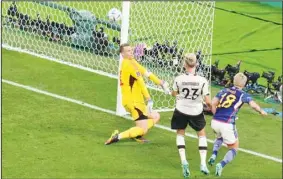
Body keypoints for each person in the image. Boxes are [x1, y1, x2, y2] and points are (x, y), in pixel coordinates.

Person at [105, 43, 170, 145]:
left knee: (156, 116)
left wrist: (160, 82)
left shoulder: (132, 62)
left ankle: (137, 134)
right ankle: (118, 136)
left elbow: (146, 72)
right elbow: (141, 81)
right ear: (122, 54)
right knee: (143, 129)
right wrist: (148, 98)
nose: (131, 52)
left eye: (131, 50)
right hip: (133, 102)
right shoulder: (128, 65)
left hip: (136, 101)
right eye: (128, 51)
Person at [208, 72, 267, 176]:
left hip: (215, 122)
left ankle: (213, 154)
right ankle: (221, 165)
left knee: (220, 136)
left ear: (234, 81)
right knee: (234, 147)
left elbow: (212, 103)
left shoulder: (223, 90)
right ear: (243, 84)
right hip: (226, 124)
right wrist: (261, 111)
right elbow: (253, 105)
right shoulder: (243, 94)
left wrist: (216, 115)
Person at [170, 53, 211, 178]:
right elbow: (208, 101)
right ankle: (203, 163)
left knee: (180, 133)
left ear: (184, 64)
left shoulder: (179, 79)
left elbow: (174, 93)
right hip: (196, 111)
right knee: (202, 135)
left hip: (181, 109)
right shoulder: (203, 81)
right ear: (196, 64)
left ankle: (183, 161)